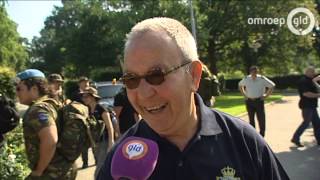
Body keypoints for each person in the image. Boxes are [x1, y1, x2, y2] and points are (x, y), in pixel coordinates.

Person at [97, 17, 288, 179]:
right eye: (131, 79)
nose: (145, 93)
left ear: (194, 76)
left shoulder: (244, 143)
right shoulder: (118, 162)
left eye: (157, 75)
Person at [15, 69, 76, 179]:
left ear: (34, 89)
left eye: (19, 88)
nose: (17, 92)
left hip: (51, 172)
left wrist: (39, 171)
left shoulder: (38, 110)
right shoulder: (53, 103)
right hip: (63, 168)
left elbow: (50, 140)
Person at [80, 87, 114, 177]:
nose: (84, 98)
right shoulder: (87, 109)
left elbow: (109, 127)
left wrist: (111, 143)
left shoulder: (101, 109)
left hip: (105, 141)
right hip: (96, 142)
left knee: (100, 167)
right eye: (83, 96)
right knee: (102, 165)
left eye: (86, 96)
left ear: (93, 97)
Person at [238, 66, 275, 137]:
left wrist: (266, 96)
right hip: (249, 101)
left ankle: (262, 135)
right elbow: (240, 85)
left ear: (257, 72)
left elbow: (272, 86)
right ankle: (253, 135)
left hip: (259, 101)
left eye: (255, 72)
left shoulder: (262, 79)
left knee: (261, 119)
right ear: (250, 72)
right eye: (252, 72)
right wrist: (244, 95)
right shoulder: (246, 78)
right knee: (251, 119)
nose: (254, 73)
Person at [291, 67, 320, 147]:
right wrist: (318, 95)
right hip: (307, 106)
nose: (314, 73)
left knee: (317, 123)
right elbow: (306, 93)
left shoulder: (311, 81)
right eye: (312, 72)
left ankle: (319, 140)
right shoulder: (303, 81)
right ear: (307, 72)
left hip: (312, 106)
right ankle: (295, 138)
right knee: (306, 123)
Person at [71, 76, 91, 168]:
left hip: (92, 117)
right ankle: (85, 162)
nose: (86, 84)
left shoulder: (92, 92)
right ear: (79, 84)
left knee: (95, 139)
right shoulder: (76, 94)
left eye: (87, 82)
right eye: (84, 82)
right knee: (83, 142)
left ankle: (98, 159)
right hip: (81, 119)